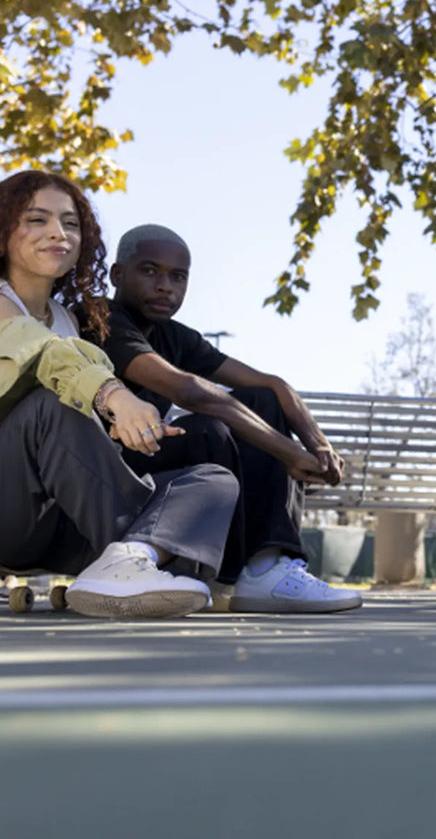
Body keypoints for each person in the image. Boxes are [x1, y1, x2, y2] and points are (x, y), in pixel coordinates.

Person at [0, 171, 238, 619]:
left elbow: (82, 434)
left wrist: (138, 430)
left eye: (70, 224)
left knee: (212, 475)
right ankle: (135, 555)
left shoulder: (68, 319)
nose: (58, 233)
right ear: (0, 233)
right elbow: (44, 354)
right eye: (37, 220)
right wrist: (115, 397)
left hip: (55, 526)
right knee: (48, 406)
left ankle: (130, 558)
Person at [99, 224, 360, 614]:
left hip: (151, 460)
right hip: (100, 471)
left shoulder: (174, 336)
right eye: (150, 271)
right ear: (117, 274)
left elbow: (274, 385)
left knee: (260, 400)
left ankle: (265, 567)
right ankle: (229, 575)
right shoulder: (101, 318)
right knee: (210, 431)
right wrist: (289, 453)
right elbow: (189, 391)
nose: (165, 287)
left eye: (178, 276)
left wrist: (318, 444)